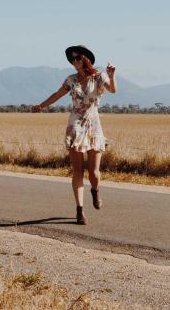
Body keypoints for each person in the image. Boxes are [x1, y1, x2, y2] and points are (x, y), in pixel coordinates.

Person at [32, 45, 116, 225]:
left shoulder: (99, 76)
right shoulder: (70, 80)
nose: (74, 61)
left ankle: (95, 190)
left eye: (78, 58)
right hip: (75, 125)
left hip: (94, 125)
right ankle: (79, 210)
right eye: (72, 59)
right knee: (77, 170)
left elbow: (113, 89)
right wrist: (41, 106)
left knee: (94, 172)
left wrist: (112, 74)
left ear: (86, 59)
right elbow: (57, 94)